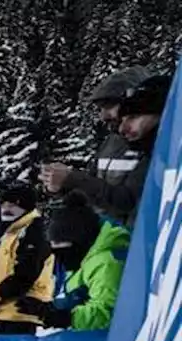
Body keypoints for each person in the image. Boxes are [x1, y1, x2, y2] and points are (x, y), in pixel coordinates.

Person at [40, 67, 153, 227]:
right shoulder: (111, 142)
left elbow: (128, 202)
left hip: (132, 240)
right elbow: (91, 190)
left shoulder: (150, 145)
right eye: (100, 108)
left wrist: (74, 178)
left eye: (109, 105)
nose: (103, 116)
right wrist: (61, 187)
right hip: (105, 237)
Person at [18, 191, 130, 331]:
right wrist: (48, 308)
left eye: (62, 249)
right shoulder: (82, 260)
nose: (59, 257)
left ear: (79, 242)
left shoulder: (106, 263)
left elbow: (108, 314)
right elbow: (76, 296)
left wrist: (66, 318)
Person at [0, 181, 55, 336]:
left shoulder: (34, 230)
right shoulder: (11, 232)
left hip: (22, 311)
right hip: (3, 311)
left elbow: (26, 273)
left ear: (26, 207)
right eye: (3, 205)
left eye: (12, 205)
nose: (6, 210)